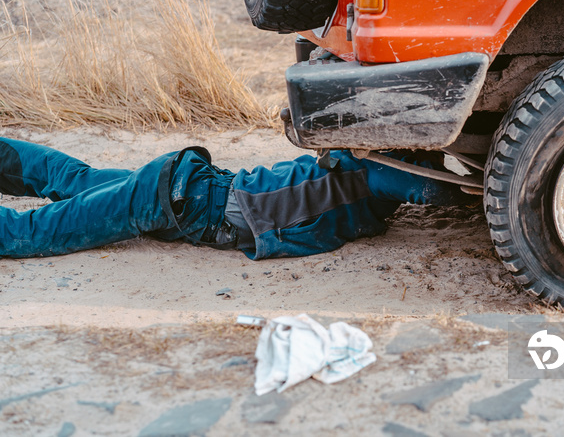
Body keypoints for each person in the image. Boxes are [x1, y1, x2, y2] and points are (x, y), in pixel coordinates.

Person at [0, 137, 472, 259]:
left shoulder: (363, 177)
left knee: (75, 180)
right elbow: (430, 189)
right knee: (35, 232)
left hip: (189, 191)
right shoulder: (372, 173)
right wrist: (493, 190)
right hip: (184, 199)